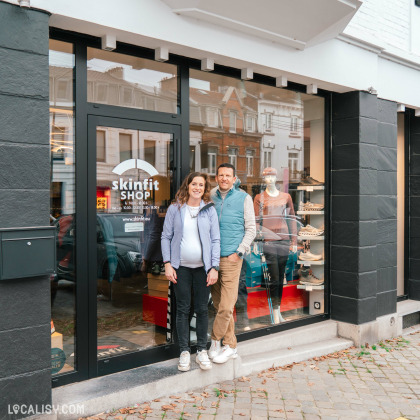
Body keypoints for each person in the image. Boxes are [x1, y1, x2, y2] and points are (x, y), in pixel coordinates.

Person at [161, 172, 220, 372]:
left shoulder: (209, 209)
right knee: (183, 309)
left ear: (205, 189)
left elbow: (215, 240)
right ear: (188, 186)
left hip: (203, 269)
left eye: (201, 185)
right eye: (194, 184)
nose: (197, 188)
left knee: (202, 309)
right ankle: (185, 352)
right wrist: (168, 263)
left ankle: (202, 350)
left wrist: (213, 267)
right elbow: (165, 237)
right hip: (181, 268)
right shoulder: (175, 209)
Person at [209, 163, 256, 364]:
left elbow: (251, 229)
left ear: (234, 178)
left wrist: (239, 252)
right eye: (221, 175)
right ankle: (230, 346)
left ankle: (214, 341)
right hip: (212, 259)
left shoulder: (244, 198)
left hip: (231, 258)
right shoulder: (210, 195)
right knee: (219, 304)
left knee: (227, 306)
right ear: (216, 177)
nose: (224, 178)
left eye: (228, 175)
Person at [253, 167, 297, 323]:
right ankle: (275, 312)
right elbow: (256, 221)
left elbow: (291, 217)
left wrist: (294, 241)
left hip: (284, 240)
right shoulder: (260, 197)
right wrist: (256, 240)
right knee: (274, 277)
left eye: (272, 176)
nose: (269, 179)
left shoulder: (285, 196)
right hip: (269, 241)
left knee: (281, 277)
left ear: (276, 177)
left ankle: (278, 311)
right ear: (263, 178)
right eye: (266, 176)